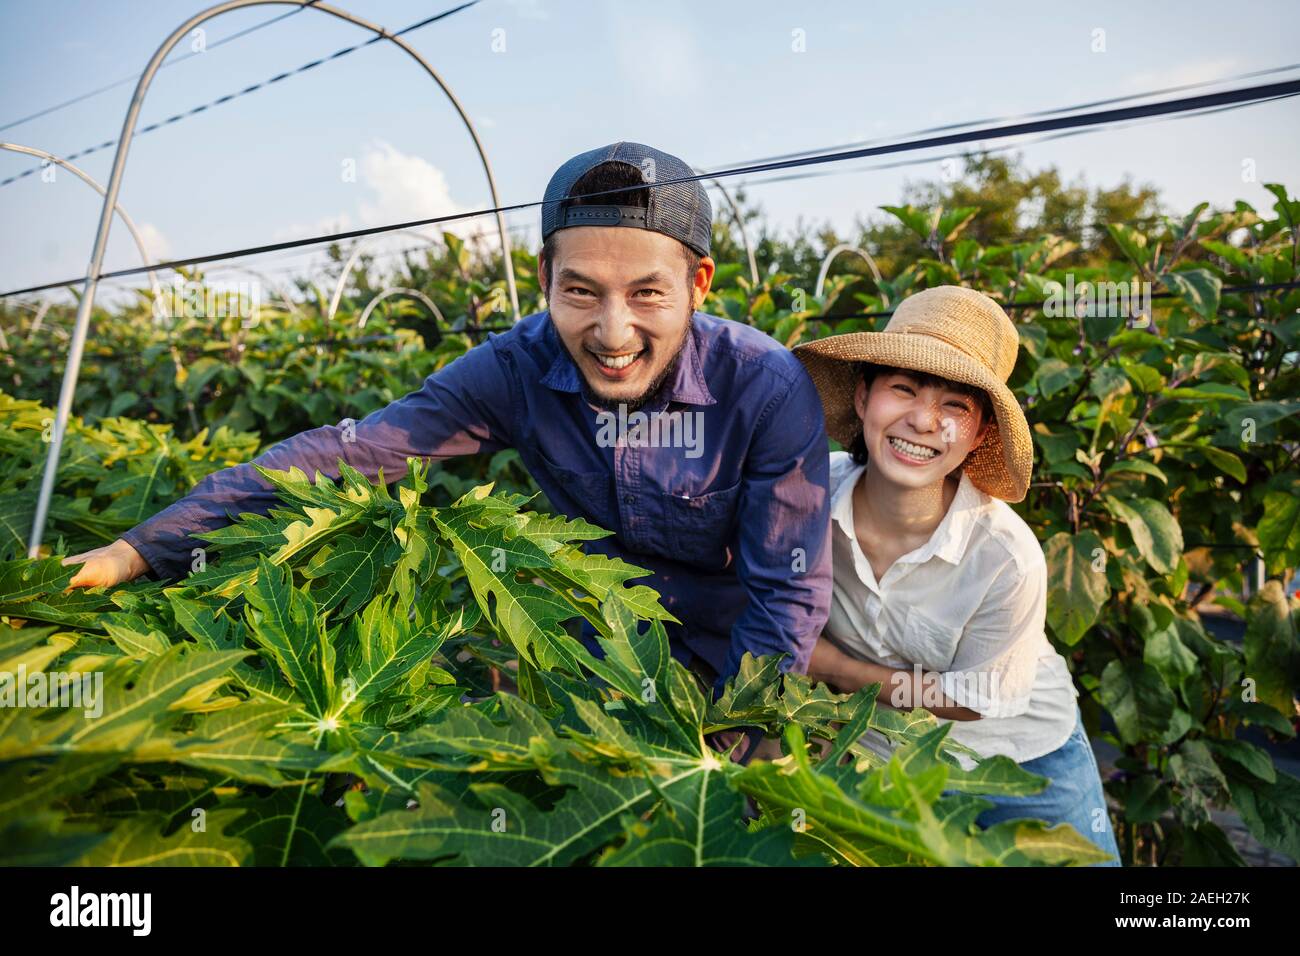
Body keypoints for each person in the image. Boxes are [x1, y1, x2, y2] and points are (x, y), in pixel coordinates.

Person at [63, 142, 833, 743]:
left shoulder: (764, 387)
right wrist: (139, 549)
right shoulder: (517, 366)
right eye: (581, 291)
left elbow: (787, 592)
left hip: (727, 657)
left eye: (647, 294)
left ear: (698, 285)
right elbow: (347, 453)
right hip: (577, 644)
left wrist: (725, 740)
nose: (612, 331)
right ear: (544, 278)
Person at [794, 285, 1120, 864]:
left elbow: (977, 698)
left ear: (980, 436)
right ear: (864, 396)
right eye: (903, 388)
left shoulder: (1005, 556)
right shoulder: (805, 496)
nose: (923, 421)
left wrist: (834, 668)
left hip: (1017, 757)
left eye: (955, 406)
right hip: (882, 748)